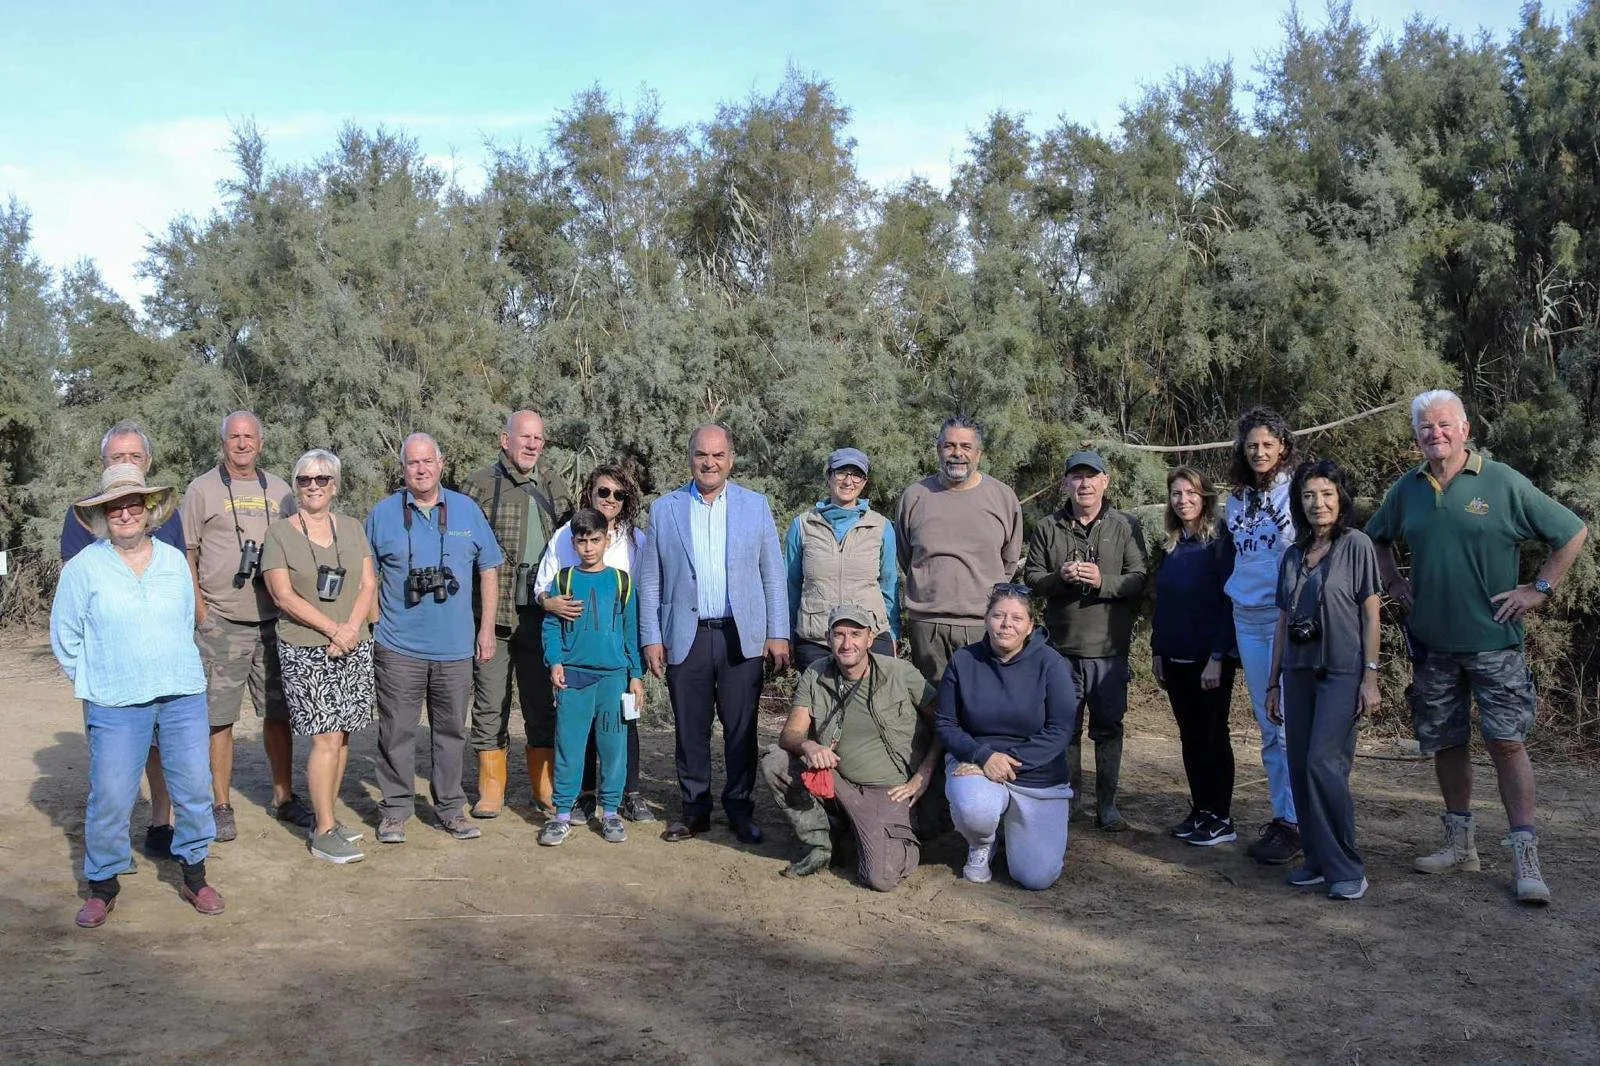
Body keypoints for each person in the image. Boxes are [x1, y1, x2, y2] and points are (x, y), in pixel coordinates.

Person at [1368, 389, 1587, 905]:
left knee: (1507, 743)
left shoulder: (1503, 482)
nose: (1435, 434)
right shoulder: (1408, 489)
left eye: (1445, 424)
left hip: (1495, 644)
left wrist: (1539, 589)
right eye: (1426, 427)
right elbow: (1376, 538)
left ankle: (1524, 852)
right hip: (1434, 646)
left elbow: (1572, 532)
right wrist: (1393, 583)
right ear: (1417, 435)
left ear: (1465, 428)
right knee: (1446, 742)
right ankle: (1459, 842)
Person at [51, 465, 223, 927]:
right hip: (114, 701)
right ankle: (102, 886)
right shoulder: (84, 568)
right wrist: (95, 677)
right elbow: (65, 636)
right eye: (115, 506)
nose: (125, 512)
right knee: (109, 794)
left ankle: (194, 876)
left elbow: (186, 619)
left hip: (181, 693)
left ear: (148, 512)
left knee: (193, 788)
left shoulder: (171, 561)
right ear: (104, 515)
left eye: (133, 504)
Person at [638, 424, 789, 844]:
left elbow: (773, 576)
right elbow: (651, 580)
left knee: (742, 729)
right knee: (690, 729)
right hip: (686, 636)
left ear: (731, 459)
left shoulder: (755, 506)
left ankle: (740, 809)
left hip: (741, 637)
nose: (710, 462)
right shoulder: (664, 509)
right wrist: (651, 637)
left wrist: (778, 632)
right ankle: (695, 810)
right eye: (702, 454)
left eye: (718, 455)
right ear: (689, 458)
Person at [365, 433, 503, 844]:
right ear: (403, 468)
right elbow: (366, 574)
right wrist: (375, 622)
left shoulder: (466, 510)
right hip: (398, 647)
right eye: (412, 463)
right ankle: (395, 810)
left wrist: (487, 628)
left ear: (441, 464)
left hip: (456, 648)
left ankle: (450, 808)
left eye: (427, 462)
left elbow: (489, 569)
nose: (421, 470)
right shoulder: (383, 513)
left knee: (450, 732)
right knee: (396, 731)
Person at [59, 420, 186, 859]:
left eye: (133, 456)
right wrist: (91, 671)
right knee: (113, 765)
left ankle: (161, 821)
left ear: (148, 462)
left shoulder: (168, 521)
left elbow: (180, 585)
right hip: (111, 672)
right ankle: (109, 858)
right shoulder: (82, 523)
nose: (126, 463)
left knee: (163, 748)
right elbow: (74, 597)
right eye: (117, 458)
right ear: (103, 464)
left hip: (163, 665)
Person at [180, 410, 305, 844]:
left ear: (261, 442)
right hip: (222, 622)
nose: (242, 443)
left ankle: (285, 797)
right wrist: (201, 614)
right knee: (219, 720)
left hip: (275, 623)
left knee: (278, 714)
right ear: (223, 442)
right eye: (234, 436)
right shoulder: (201, 489)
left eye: (249, 436)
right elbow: (186, 554)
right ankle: (220, 804)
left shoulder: (283, 490)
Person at [762, 604, 940, 890]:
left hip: (890, 791)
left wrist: (924, 773)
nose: (847, 644)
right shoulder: (816, 674)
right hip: (838, 782)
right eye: (839, 634)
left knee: (880, 878)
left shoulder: (900, 673)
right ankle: (823, 844)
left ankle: (884, 831)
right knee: (776, 762)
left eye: (855, 634)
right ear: (827, 638)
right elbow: (790, 734)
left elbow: (945, 724)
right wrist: (808, 745)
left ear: (870, 639)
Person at [1266, 460, 1381, 901]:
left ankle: (1346, 866)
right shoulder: (1293, 554)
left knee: (1324, 764)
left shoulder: (1357, 545)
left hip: (1341, 670)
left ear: (1341, 498)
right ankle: (1315, 859)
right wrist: (1273, 682)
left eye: (1327, 494)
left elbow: (1371, 612)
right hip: (1297, 673)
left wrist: (1370, 677)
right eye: (1309, 496)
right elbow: (1282, 620)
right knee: (1299, 767)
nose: (1318, 504)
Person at [261, 450, 378, 864]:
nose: (314, 486)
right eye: (305, 480)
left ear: (336, 485)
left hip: (353, 643)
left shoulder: (351, 527)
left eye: (322, 479)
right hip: (307, 648)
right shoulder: (279, 534)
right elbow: (282, 595)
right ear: (296, 486)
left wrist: (349, 630)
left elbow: (367, 583)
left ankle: (328, 818)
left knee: (343, 735)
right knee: (325, 737)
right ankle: (323, 830)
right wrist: (333, 630)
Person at [1023, 450, 1147, 831]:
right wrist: (1060, 576)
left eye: (1091, 477)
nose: (1084, 484)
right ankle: (1071, 801)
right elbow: (1031, 578)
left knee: (1109, 728)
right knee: (1066, 729)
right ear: (1065, 484)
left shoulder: (1125, 526)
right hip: (1061, 650)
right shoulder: (1049, 527)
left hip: (1108, 651)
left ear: (1105, 482)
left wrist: (1102, 582)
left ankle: (1107, 806)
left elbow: (1140, 578)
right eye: (1076, 477)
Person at [460, 409, 574, 819]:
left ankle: (543, 787)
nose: (531, 445)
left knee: (542, 704)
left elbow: (576, 543)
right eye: (524, 437)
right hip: (494, 616)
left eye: (538, 439)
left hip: (543, 618)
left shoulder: (554, 484)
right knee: (491, 703)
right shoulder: (478, 484)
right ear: (504, 439)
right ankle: (491, 788)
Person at [532, 462, 652, 822]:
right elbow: (544, 587)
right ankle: (583, 796)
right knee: (576, 731)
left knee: (621, 726)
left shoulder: (636, 542)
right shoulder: (566, 536)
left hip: (616, 661)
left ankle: (626, 796)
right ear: (590, 492)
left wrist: (637, 667)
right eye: (603, 491)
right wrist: (549, 603)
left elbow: (641, 599)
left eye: (618, 493)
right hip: (576, 656)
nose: (610, 499)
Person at [937, 584, 1077, 890]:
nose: (1006, 624)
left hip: (1037, 773)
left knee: (1036, 877)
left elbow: (1061, 728)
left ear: (1030, 626)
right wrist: (983, 757)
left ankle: (1019, 834)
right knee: (975, 806)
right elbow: (946, 723)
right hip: (978, 763)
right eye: (998, 615)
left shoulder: (1051, 663)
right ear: (986, 619)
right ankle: (982, 843)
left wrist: (1007, 762)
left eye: (1016, 617)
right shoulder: (964, 660)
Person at [1223, 407, 1302, 866]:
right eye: (1252, 445)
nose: (1259, 452)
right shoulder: (1235, 497)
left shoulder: (1296, 489)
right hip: (1245, 613)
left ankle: (1299, 820)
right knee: (1268, 723)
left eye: (1268, 445)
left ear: (1283, 447)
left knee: (1290, 722)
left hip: (1283, 615)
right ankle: (1282, 817)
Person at [896, 416, 1024, 685]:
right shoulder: (915, 496)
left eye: (966, 446)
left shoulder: (1002, 497)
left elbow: (1009, 561)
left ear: (979, 453)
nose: (957, 453)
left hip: (984, 624)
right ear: (938, 449)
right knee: (932, 708)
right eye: (949, 446)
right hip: (927, 624)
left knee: (984, 704)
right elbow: (906, 555)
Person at [1150, 466, 1237, 846]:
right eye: (1176, 494)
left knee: (1213, 735)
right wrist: (1158, 649)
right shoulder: (1173, 545)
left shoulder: (1219, 542)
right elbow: (1163, 602)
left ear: (1205, 497)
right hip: (1174, 655)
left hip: (1209, 660)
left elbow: (1229, 601)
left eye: (1190, 493)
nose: (1183, 500)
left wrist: (1218, 655)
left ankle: (1221, 816)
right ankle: (1200, 809)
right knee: (1190, 737)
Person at [783, 447, 900, 675]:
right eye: (841, 473)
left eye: (856, 474)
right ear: (829, 477)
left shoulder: (881, 527)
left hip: (870, 638)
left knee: (872, 709)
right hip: (816, 640)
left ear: (864, 482)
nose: (849, 481)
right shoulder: (803, 525)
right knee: (821, 709)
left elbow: (889, 584)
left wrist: (893, 633)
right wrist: (785, 633)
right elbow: (790, 585)